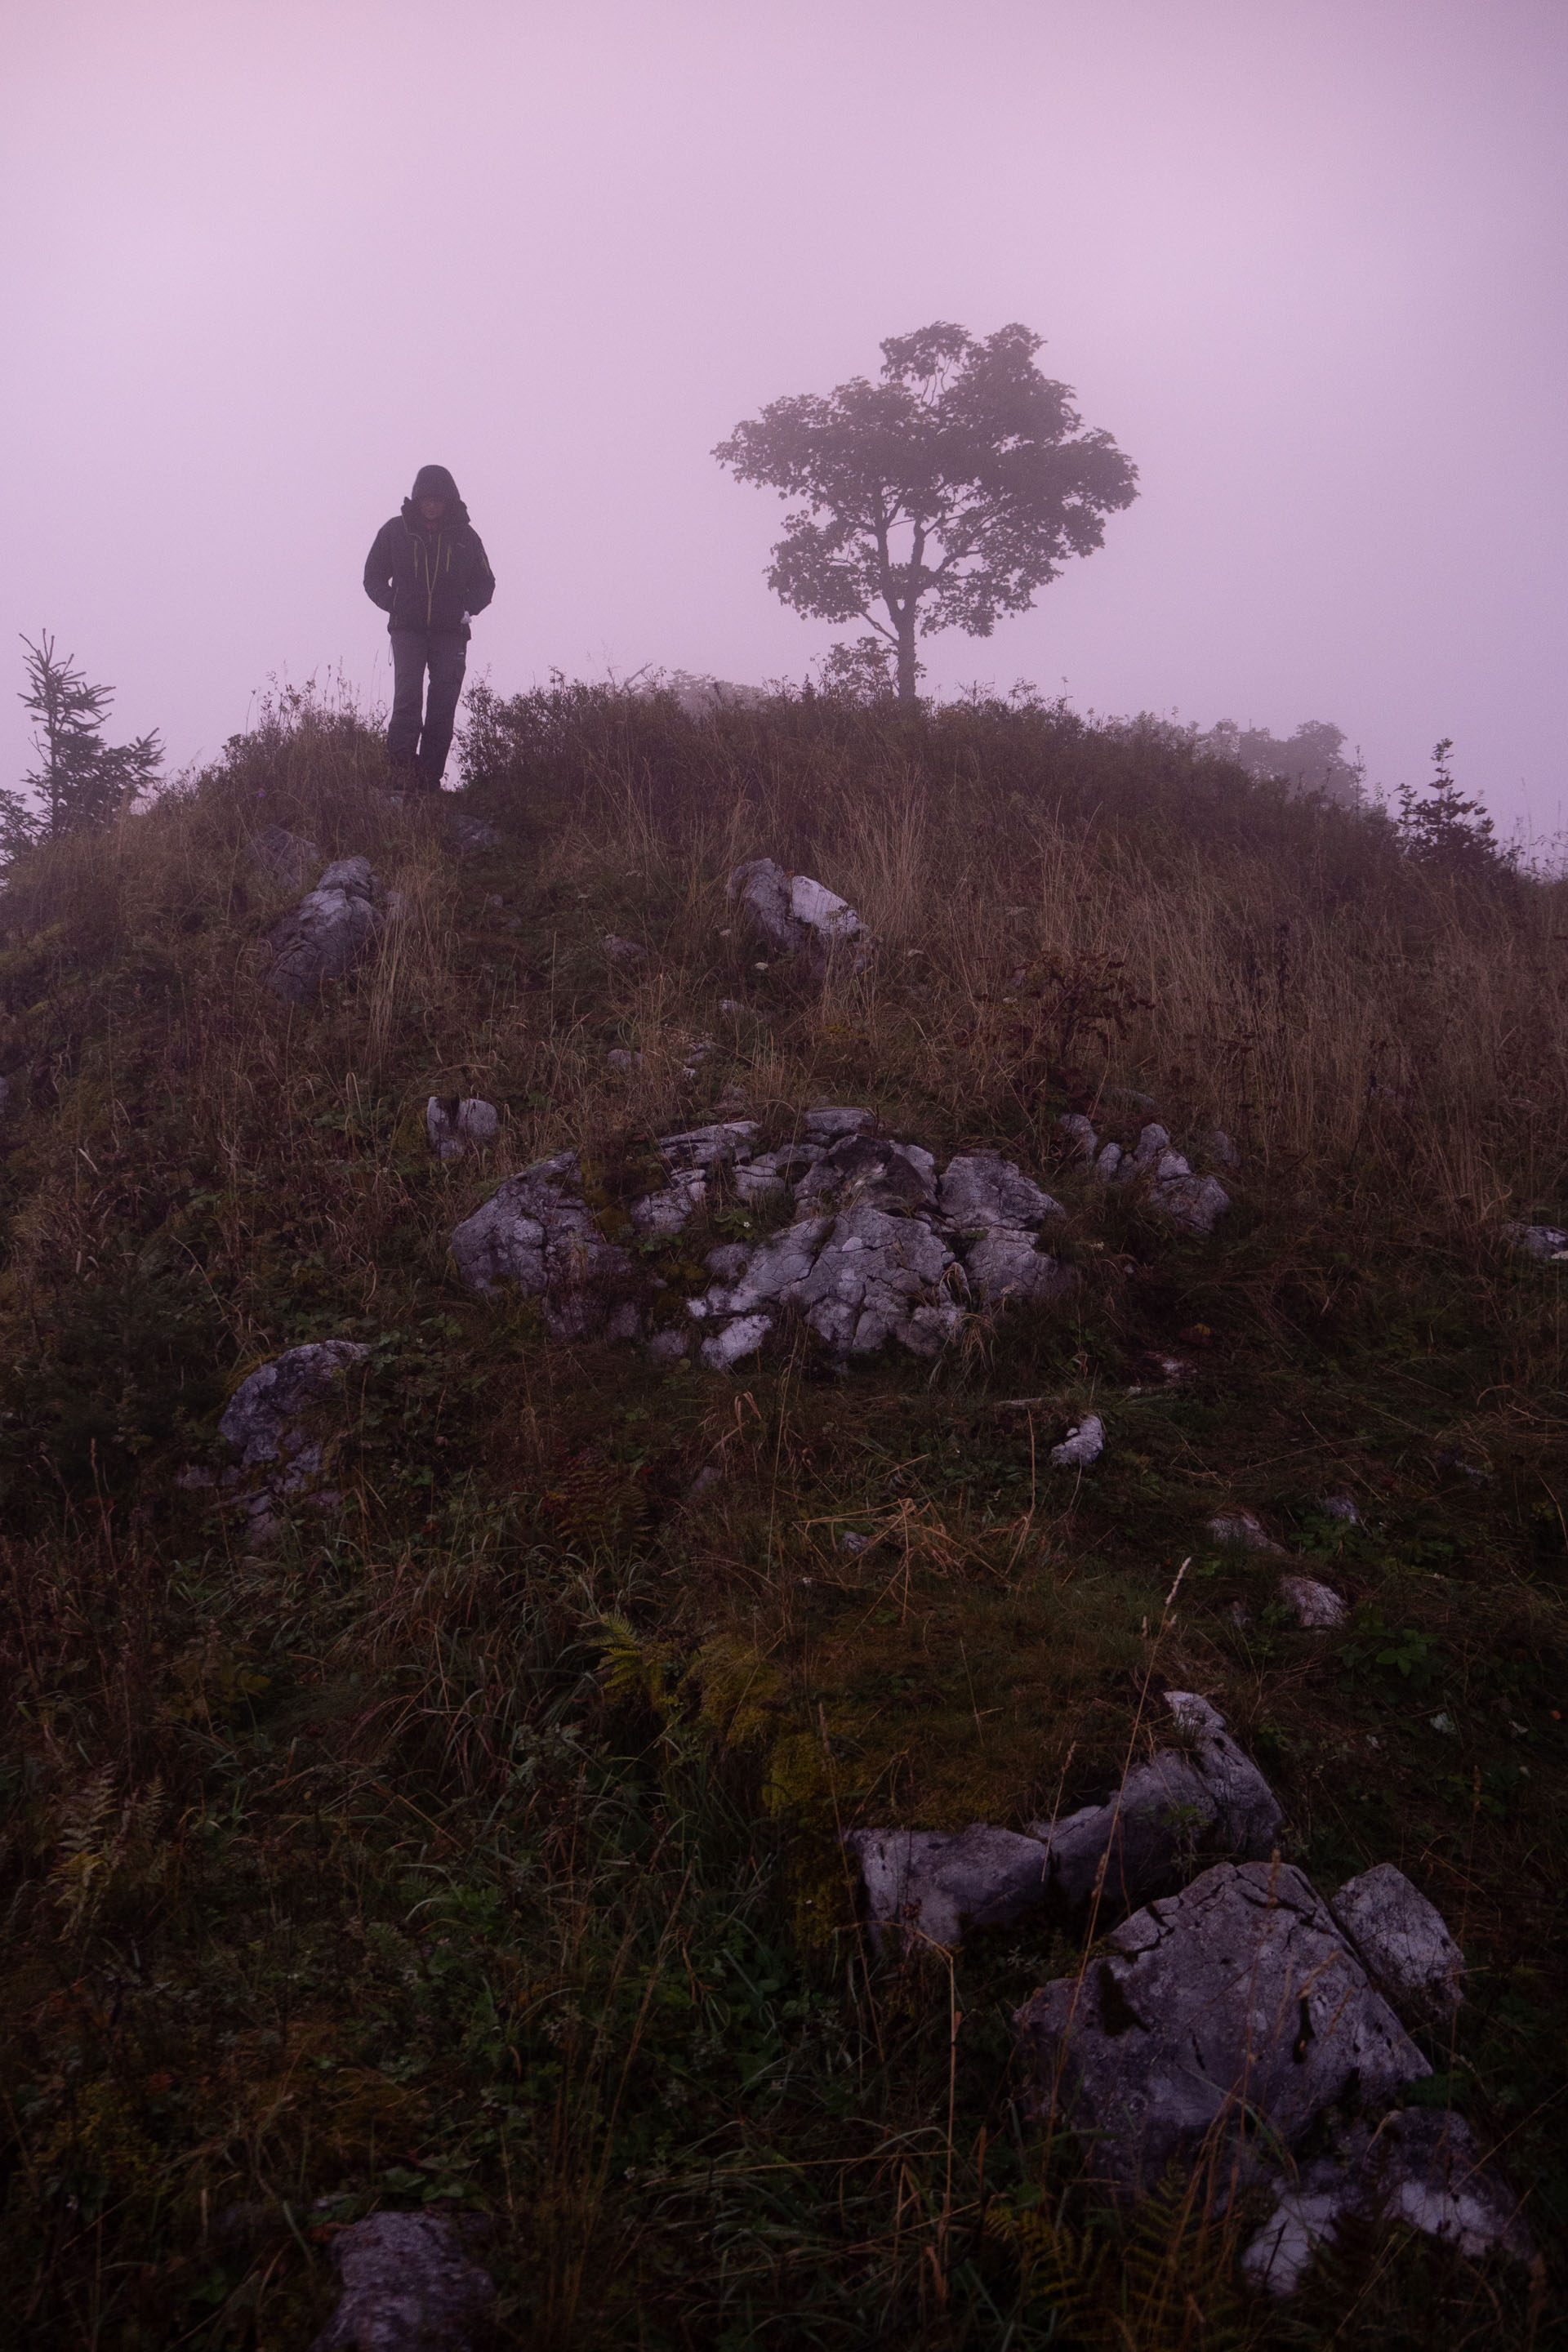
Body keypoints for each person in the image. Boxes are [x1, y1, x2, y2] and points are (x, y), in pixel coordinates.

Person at [363, 465, 496, 791]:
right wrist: (394, 603)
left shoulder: (466, 537)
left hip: (451, 633)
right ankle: (401, 775)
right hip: (407, 630)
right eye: (426, 499)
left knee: (443, 702)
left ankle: (428, 780)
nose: (431, 505)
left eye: (438, 499)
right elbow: (373, 576)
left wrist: (466, 609)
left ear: (449, 500)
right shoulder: (396, 531)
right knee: (407, 698)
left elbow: (486, 583)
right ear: (417, 499)